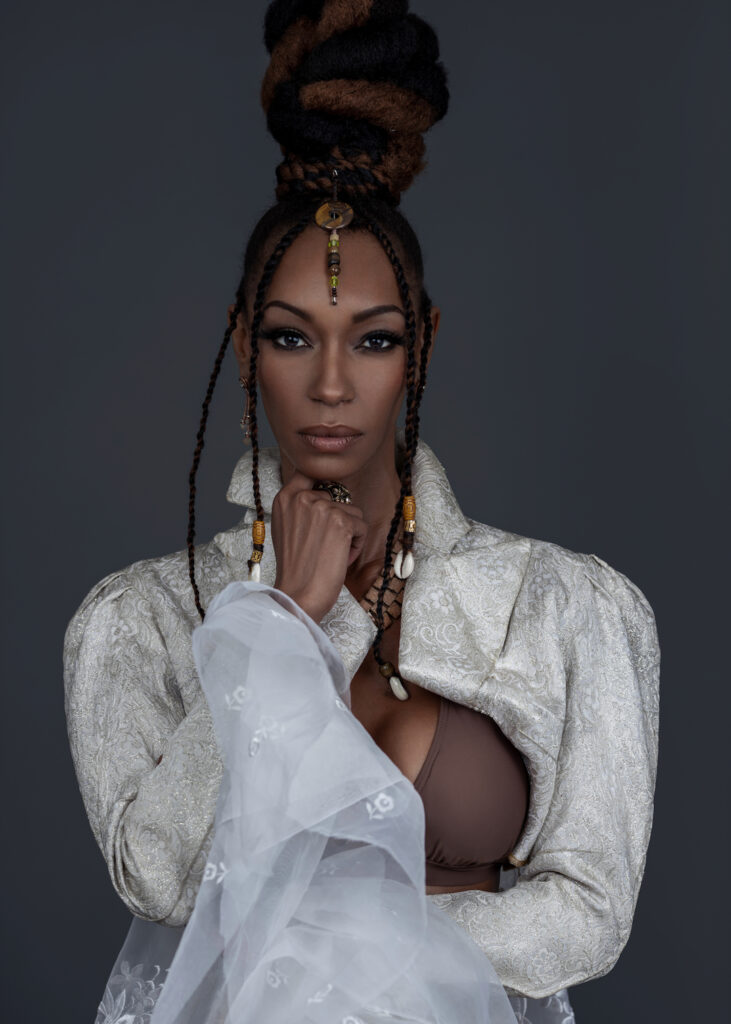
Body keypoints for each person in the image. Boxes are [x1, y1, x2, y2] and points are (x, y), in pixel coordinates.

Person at [63, 2, 661, 1022]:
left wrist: (338, 955)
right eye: (291, 337)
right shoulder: (142, 619)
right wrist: (282, 621)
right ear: (243, 343)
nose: (331, 384)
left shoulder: (560, 606)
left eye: (373, 339)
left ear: (421, 342)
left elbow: (586, 917)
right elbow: (159, 879)